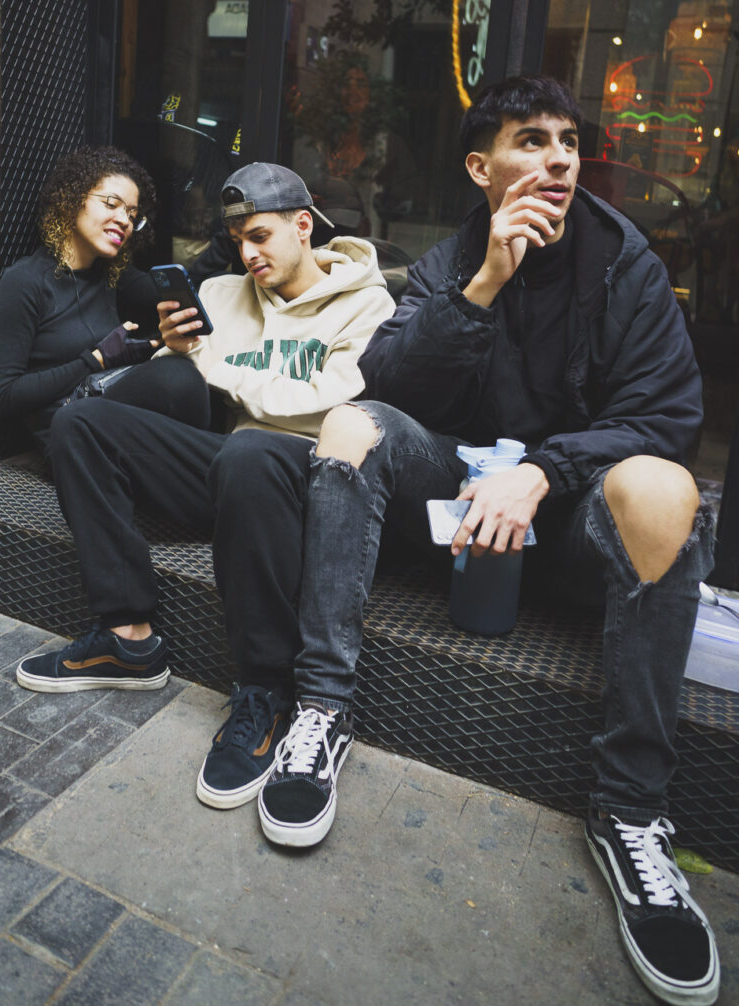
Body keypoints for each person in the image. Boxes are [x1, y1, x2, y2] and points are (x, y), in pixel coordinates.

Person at [282, 76, 720, 1004]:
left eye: (567, 141)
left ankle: (630, 809)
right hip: (462, 515)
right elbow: (393, 384)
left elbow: (669, 415)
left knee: (663, 486)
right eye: (532, 141)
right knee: (353, 425)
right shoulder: (451, 262)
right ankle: (320, 711)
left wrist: (547, 472)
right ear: (483, 168)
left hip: (569, 529)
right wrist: (484, 284)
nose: (559, 157)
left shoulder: (624, 262)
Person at [14, 162, 395, 815]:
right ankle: (127, 634)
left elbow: (339, 400)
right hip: (231, 469)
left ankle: (265, 692)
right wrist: (172, 350)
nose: (249, 254)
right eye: (239, 239)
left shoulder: (370, 303)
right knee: (81, 422)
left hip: (306, 482)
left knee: (250, 450)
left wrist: (219, 369)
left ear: (304, 227)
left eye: (263, 236)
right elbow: (179, 387)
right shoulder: (220, 293)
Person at [0, 146, 209, 457]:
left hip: (107, 415)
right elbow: (3, 397)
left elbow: (188, 292)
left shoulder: (113, 276)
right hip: (66, 431)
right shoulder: (24, 282)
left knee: (187, 374)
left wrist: (230, 240)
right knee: (175, 378)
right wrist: (95, 360)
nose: (124, 220)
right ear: (71, 199)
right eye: (112, 204)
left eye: (132, 214)